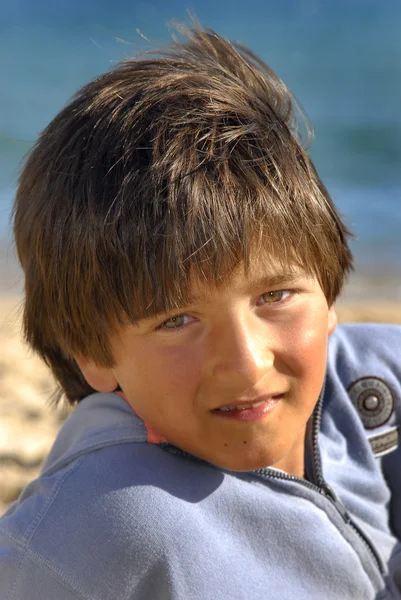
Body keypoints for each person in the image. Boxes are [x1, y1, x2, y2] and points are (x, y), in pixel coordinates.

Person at [0, 23, 400, 600]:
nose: (245, 363)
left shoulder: (378, 384)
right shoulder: (97, 533)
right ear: (91, 350)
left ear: (329, 288)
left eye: (275, 296)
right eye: (176, 321)